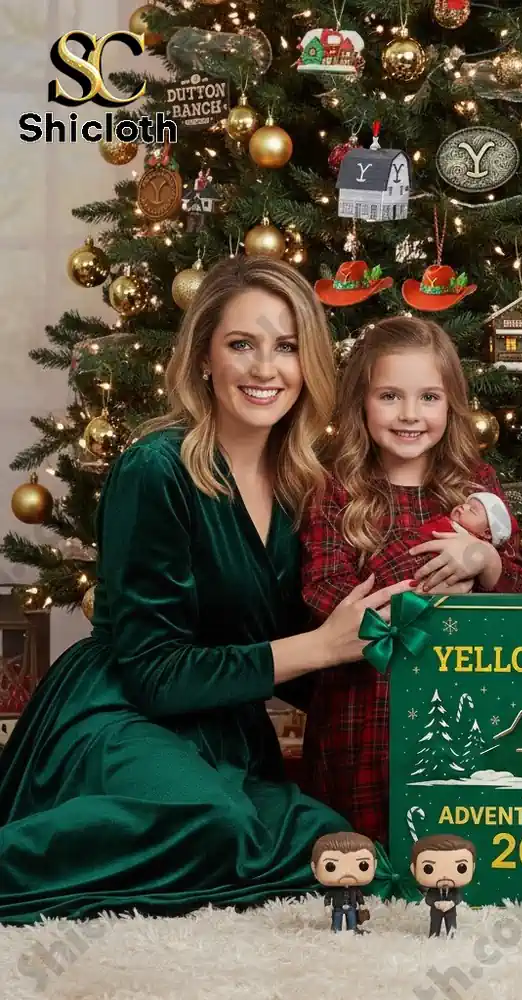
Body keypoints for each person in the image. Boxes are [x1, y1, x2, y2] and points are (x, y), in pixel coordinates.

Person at [0, 257, 411, 926]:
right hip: (122, 713)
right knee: (212, 821)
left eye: (284, 347)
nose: (264, 369)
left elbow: (313, 652)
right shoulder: (155, 469)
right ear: (203, 360)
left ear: (307, 364)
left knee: (347, 854)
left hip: (224, 732)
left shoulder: (302, 484)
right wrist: (320, 647)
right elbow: (155, 673)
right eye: (241, 345)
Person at [298, 317, 522, 847]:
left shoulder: (477, 487)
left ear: (451, 404)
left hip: (458, 690)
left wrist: (482, 560)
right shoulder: (335, 486)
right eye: (390, 396)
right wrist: (411, 604)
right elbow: (322, 587)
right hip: (365, 697)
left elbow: (521, 591)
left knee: (450, 841)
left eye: (429, 396)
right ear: (362, 401)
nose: (410, 414)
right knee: (363, 851)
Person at [311, 831, 378, 933]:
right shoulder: (333, 891)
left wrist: (362, 904)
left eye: (363, 865)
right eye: (330, 866)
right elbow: (328, 897)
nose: (347, 873)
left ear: (375, 865)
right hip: (337, 908)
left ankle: (353, 928)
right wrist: (327, 906)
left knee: (352, 919)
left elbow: (359, 897)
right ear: (314, 868)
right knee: (337, 920)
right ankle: (336, 929)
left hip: (351, 908)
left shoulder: (355, 890)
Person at [413, 491, 515, 547]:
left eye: (472, 510)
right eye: (466, 504)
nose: (463, 507)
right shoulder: (448, 523)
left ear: (487, 533)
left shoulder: (472, 547)